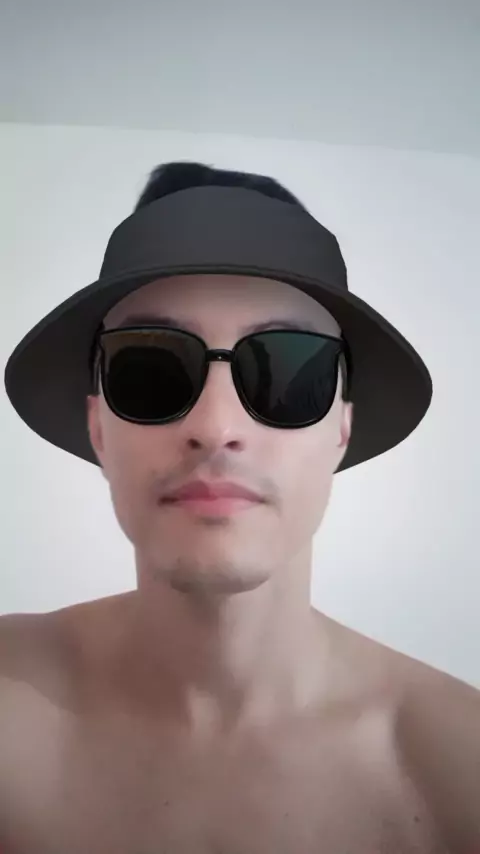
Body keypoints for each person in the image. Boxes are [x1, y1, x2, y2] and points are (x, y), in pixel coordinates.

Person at [1, 161, 479, 853]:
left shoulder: (459, 774)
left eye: (286, 369)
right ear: (98, 426)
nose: (217, 424)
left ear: (342, 428)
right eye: (150, 367)